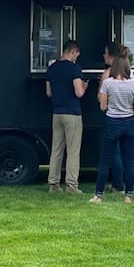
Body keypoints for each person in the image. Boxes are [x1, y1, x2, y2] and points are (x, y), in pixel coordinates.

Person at [90, 45, 134, 203]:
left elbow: (103, 106)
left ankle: (98, 195)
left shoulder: (108, 84)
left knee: (105, 161)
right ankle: (129, 195)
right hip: (129, 123)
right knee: (128, 161)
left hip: (112, 122)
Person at [46, 40, 89, 193]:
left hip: (57, 113)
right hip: (72, 114)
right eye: (77, 54)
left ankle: (53, 184)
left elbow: (49, 93)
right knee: (73, 151)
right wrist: (84, 86)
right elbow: (78, 93)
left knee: (56, 150)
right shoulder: (74, 69)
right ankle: (71, 185)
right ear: (73, 51)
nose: (76, 57)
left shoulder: (52, 68)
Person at [99, 42, 125, 193]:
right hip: (127, 118)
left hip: (112, 117)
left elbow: (101, 99)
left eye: (105, 52)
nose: (103, 55)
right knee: (124, 152)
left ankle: (117, 184)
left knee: (113, 152)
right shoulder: (130, 74)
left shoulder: (107, 74)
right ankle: (124, 186)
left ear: (111, 56)